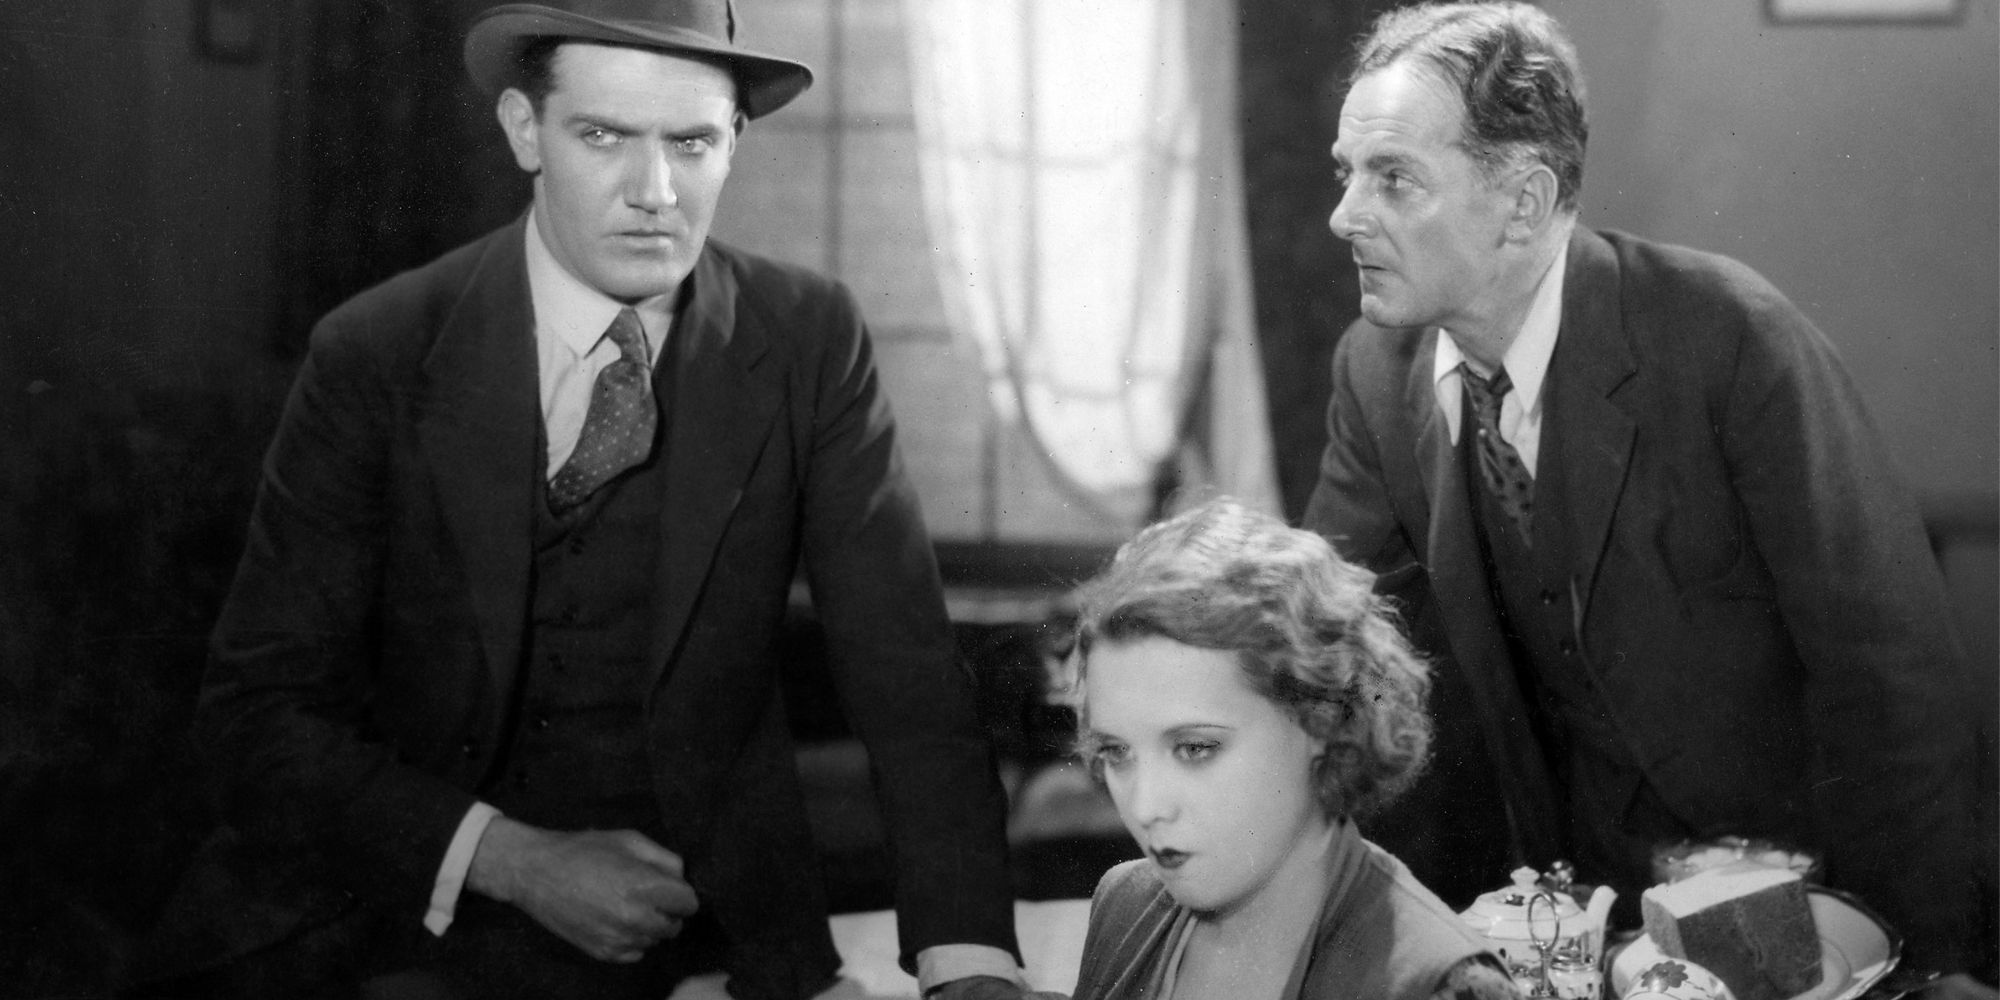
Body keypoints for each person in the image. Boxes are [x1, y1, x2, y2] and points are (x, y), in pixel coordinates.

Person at [130, 2, 1032, 998]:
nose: (652, 192)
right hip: (397, 925)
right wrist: (514, 858)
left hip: (708, 933)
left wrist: (969, 963)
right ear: (525, 131)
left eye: (690, 142)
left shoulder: (808, 337)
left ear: (733, 143)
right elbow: (256, 719)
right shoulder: (376, 350)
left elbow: (909, 683)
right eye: (601, 136)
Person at [1307, 3, 1992, 996]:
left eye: (1392, 179)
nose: (1342, 215)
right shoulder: (1374, 373)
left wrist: (1934, 966)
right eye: (1345, 173)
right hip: (1559, 934)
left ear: (1522, 202)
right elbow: (1337, 657)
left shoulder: (1730, 339)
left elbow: (1890, 682)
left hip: (1800, 928)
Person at [1062, 498, 1521, 1000]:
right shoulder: (1124, 904)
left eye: (1195, 749)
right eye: (1116, 752)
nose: (1146, 807)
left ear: (1320, 719)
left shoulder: (1438, 984)